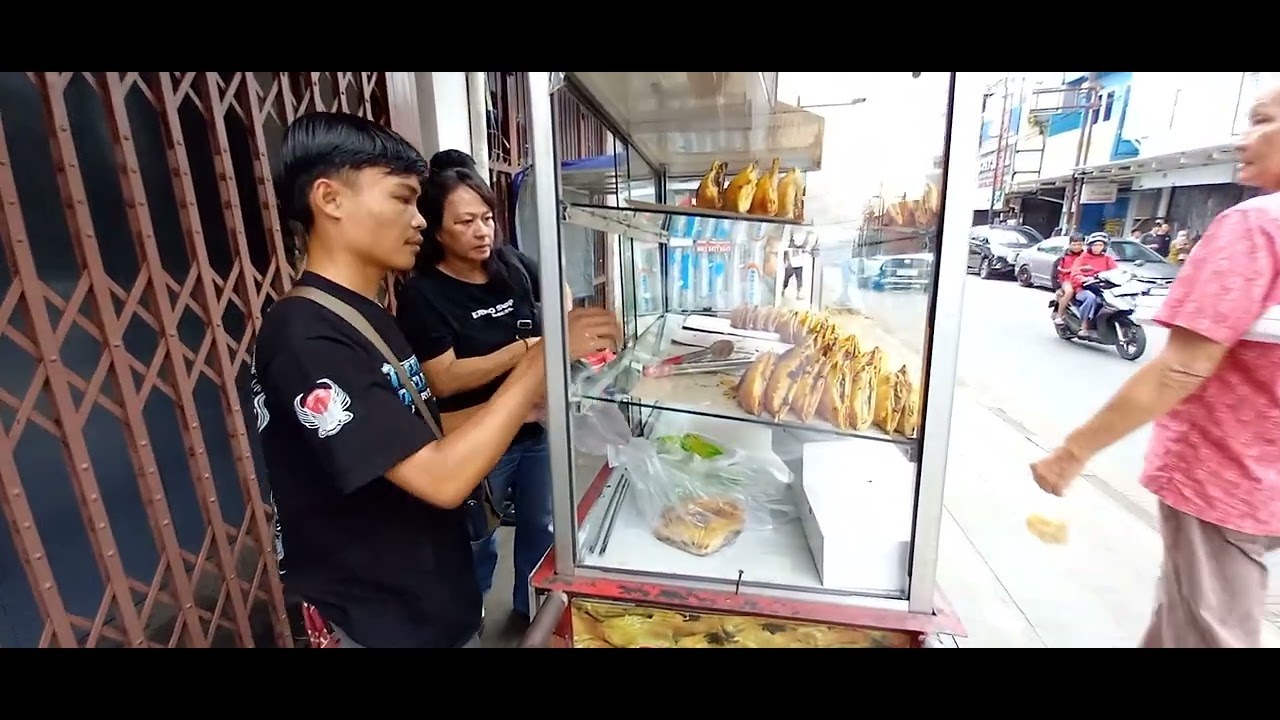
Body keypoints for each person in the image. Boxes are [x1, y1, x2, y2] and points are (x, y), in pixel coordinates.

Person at [250, 112, 619, 648]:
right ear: (330, 200)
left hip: (430, 604)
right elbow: (440, 479)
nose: (420, 219)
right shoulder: (305, 335)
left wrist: (531, 406)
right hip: (379, 622)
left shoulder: (367, 314)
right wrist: (536, 362)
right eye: (402, 198)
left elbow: (417, 431)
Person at [1030, 83, 1280, 648]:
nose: (1245, 137)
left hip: (1226, 480)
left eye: (1262, 120)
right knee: (1181, 620)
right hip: (1264, 490)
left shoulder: (1256, 226)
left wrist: (1073, 451)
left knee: (1207, 632)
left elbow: (1180, 370)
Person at [394, 149, 553, 628]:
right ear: (437, 230)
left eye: (486, 218)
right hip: (476, 438)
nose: (482, 231)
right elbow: (444, 376)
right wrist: (527, 350)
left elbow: (559, 293)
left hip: (535, 431)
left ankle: (533, 616)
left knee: (541, 529)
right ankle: (471, 621)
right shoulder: (424, 295)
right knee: (476, 539)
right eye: (466, 222)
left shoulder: (511, 266)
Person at [1070, 233, 1117, 336]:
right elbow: (1075, 274)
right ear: (1090, 246)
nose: (1097, 248)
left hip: (1102, 288)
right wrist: (1083, 279)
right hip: (1083, 289)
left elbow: (1116, 272)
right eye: (1095, 245)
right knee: (1091, 298)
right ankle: (1084, 325)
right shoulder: (1082, 259)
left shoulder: (1108, 259)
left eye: (1100, 245)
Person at [1052, 233, 1086, 325]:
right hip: (1067, 280)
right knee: (1069, 292)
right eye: (1074, 245)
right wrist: (1057, 288)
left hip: (1081, 280)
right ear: (1069, 244)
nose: (1076, 247)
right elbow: (1055, 274)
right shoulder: (1063, 257)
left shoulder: (1085, 256)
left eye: (1079, 244)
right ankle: (1059, 315)